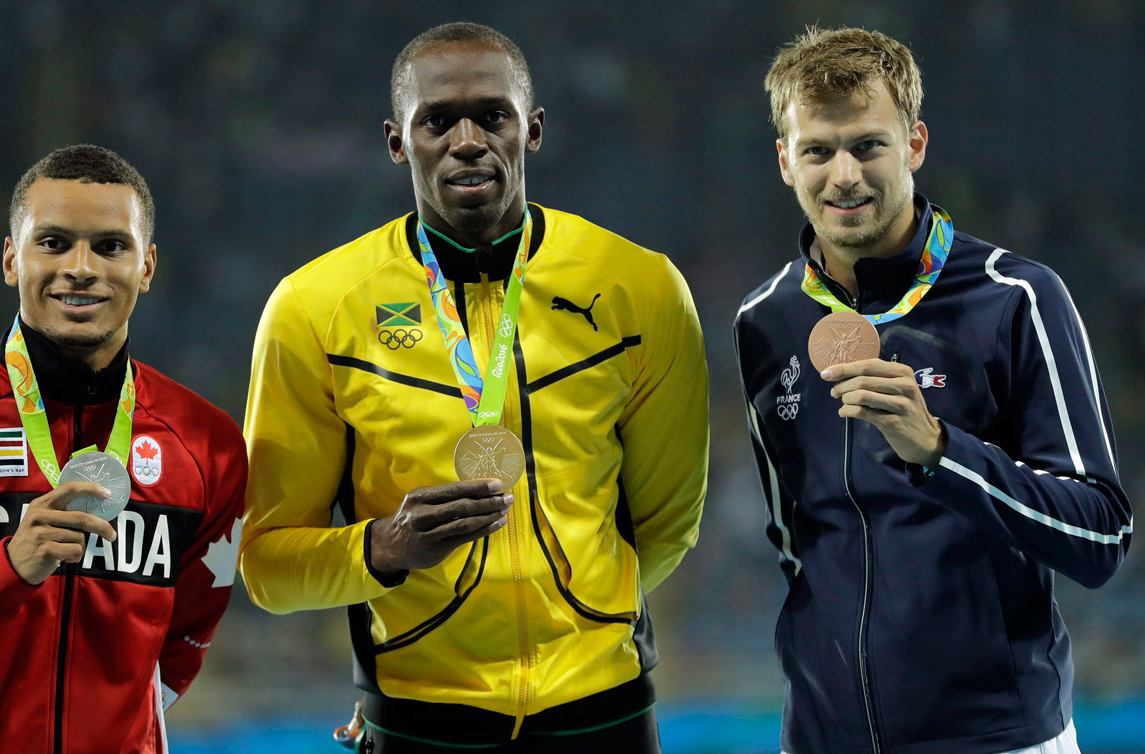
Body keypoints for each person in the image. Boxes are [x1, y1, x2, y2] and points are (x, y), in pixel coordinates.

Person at [241, 22, 708, 753]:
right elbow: (268, 566)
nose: (466, 140)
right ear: (398, 141)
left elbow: (667, 527)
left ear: (534, 129)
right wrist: (385, 549)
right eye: (436, 121)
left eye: (492, 116)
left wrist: (577, 617)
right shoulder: (313, 309)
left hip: (605, 716)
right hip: (420, 723)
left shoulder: (642, 289)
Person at [734, 26, 1131, 754]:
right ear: (786, 161)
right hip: (823, 740)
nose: (844, 175)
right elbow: (796, 541)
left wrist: (943, 453)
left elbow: (1102, 533)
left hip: (996, 737)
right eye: (818, 150)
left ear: (914, 145)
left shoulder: (1016, 298)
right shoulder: (765, 321)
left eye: (868, 145)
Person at [0, 144, 248, 753]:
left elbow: (173, 658)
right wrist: (6, 571)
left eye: (111, 246)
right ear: (11, 258)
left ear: (148, 266)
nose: (81, 267)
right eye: (53, 242)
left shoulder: (207, 446)